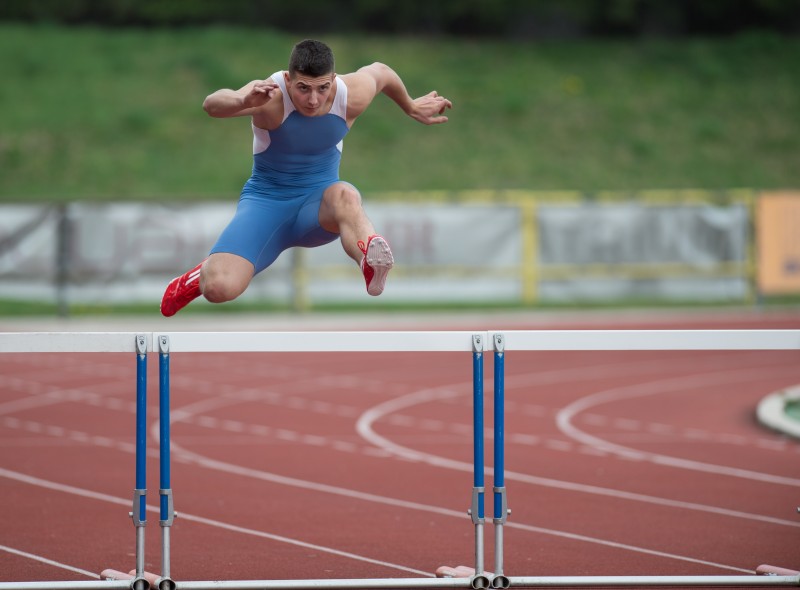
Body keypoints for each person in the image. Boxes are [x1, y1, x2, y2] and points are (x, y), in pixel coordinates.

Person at [160, 39, 452, 317]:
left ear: (334, 79)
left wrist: (411, 106)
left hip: (318, 208)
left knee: (345, 194)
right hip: (266, 206)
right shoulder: (269, 94)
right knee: (220, 288)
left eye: (322, 88)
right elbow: (212, 104)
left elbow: (382, 72)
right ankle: (198, 276)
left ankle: (369, 259)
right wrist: (241, 99)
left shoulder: (352, 93)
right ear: (288, 80)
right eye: (302, 88)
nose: (313, 100)